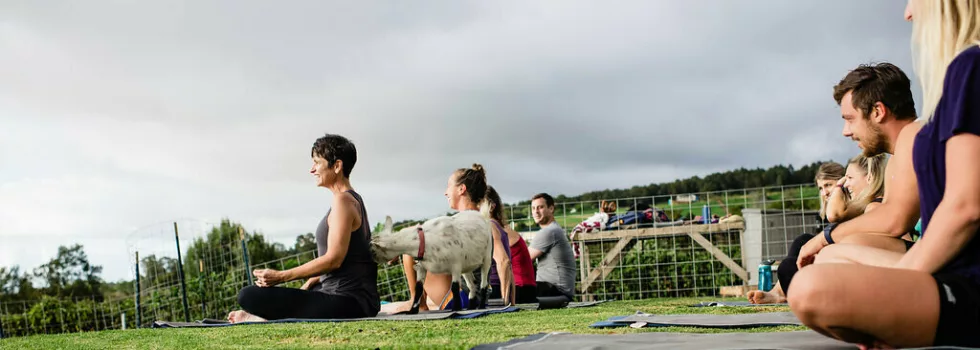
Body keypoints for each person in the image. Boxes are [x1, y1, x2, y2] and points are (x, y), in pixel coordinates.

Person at [788, 1, 980, 347]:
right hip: (951, 267)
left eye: (914, 0)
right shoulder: (956, 81)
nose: (908, 13)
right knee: (825, 262)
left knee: (809, 287)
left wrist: (903, 281)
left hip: (965, 279)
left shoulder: (968, 68)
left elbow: (960, 208)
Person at [227, 134, 379, 322]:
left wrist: (281, 276)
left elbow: (334, 260)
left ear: (337, 166)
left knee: (248, 295)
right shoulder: (352, 199)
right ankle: (268, 316)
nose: (312, 169)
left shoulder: (343, 201)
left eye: (317, 162)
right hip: (347, 295)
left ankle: (260, 318)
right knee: (302, 292)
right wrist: (308, 283)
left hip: (348, 300)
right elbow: (346, 259)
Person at [795, 60, 923, 269]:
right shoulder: (896, 158)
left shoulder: (917, 136)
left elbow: (895, 220)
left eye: (850, 119)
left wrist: (824, 237)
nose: (845, 131)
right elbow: (889, 219)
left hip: (960, 265)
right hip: (936, 254)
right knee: (838, 252)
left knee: (831, 259)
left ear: (877, 112)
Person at [748, 155, 885, 304]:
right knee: (802, 241)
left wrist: (839, 186)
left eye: (828, 185)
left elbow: (834, 215)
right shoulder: (862, 204)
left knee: (789, 265)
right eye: (821, 187)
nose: (824, 192)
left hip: (851, 266)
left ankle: (786, 292)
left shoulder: (864, 205)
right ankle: (779, 292)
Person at [384, 164, 512, 313]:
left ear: (461, 189)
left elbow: (504, 261)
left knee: (410, 249)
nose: (445, 192)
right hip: (473, 295)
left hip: (462, 298)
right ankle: (419, 302)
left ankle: (418, 303)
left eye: (448, 186)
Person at [483, 186, 537, 304]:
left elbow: (504, 262)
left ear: (491, 206)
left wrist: (505, 300)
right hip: (524, 287)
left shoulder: (493, 228)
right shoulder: (502, 228)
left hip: (521, 287)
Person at [528, 193, 577, 300]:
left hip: (555, 291)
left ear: (551, 209)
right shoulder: (555, 229)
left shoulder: (549, 232)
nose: (535, 212)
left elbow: (523, 260)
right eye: (533, 208)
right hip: (556, 289)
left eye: (540, 207)